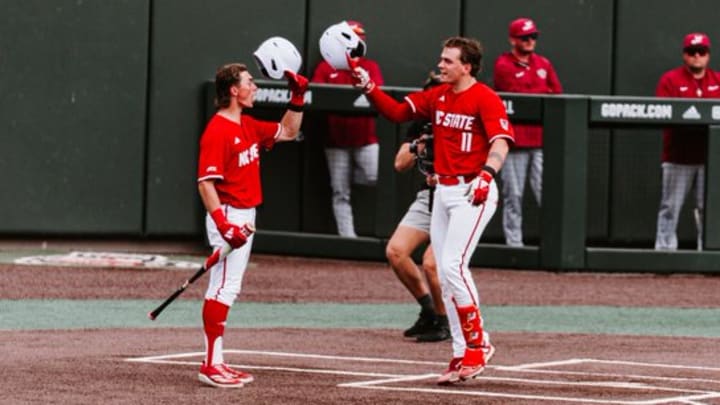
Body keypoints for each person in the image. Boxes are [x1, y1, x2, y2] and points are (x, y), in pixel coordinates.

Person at [351, 36, 514, 384]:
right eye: (441, 59)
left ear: (466, 66)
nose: (441, 65)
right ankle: (461, 352)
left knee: (453, 267)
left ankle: (478, 345)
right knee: (444, 270)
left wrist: (488, 174)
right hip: (443, 190)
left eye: (448, 61)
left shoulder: (485, 97)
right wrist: (368, 85)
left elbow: (501, 141)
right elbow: (395, 112)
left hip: (474, 190)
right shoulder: (437, 96)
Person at [195, 62, 307, 388]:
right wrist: (223, 225)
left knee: (228, 285)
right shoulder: (217, 130)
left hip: (246, 214)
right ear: (234, 90)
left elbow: (288, 131)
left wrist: (297, 98)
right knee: (224, 287)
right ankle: (211, 364)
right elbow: (205, 184)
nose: (254, 87)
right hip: (229, 213)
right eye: (249, 83)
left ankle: (216, 361)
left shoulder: (248, 125)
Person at [386, 73, 450, 343]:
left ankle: (446, 321)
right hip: (429, 196)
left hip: (457, 198)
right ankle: (429, 311)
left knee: (432, 265)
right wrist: (417, 144)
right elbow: (400, 164)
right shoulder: (421, 123)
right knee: (396, 251)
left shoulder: (463, 120)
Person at [493, 17, 562, 247]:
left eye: (533, 36)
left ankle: (553, 244)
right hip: (516, 143)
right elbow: (518, 97)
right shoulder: (504, 64)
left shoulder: (544, 63)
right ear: (513, 40)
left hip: (541, 141)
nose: (530, 41)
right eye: (525, 37)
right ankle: (515, 245)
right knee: (514, 196)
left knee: (547, 194)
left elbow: (556, 94)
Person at [311, 20, 384, 237]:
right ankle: (348, 239)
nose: (357, 39)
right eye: (353, 35)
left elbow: (379, 96)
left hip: (365, 138)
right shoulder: (326, 67)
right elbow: (316, 96)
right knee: (340, 192)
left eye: (360, 36)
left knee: (374, 176)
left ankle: (350, 175)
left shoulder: (370, 67)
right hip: (336, 141)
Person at [655, 32, 720, 251]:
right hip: (678, 157)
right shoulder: (670, 80)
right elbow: (659, 112)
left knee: (709, 209)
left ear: (708, 55)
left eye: (701, 52)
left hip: (710, 159)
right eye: (692, 52)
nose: (697, 57)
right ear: (684, 55)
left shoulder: (718, 81)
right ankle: (664, 254)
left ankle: (710, 253)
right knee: (670, 207)